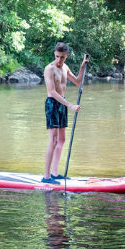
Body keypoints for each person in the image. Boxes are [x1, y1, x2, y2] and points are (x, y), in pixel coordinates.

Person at [41, 43, 89, 184]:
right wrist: (70, 105)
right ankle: (46, 177)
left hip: (63, 104)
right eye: (57, 56)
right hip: (53, 104)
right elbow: (52, 92)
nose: (59, 60)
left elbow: (78, 82)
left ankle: (55, 173)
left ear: (67, 56)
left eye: (62, 57)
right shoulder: (49, 69)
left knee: (61, 140)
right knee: (53, 141)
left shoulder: (65, 68)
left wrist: (82, 67)